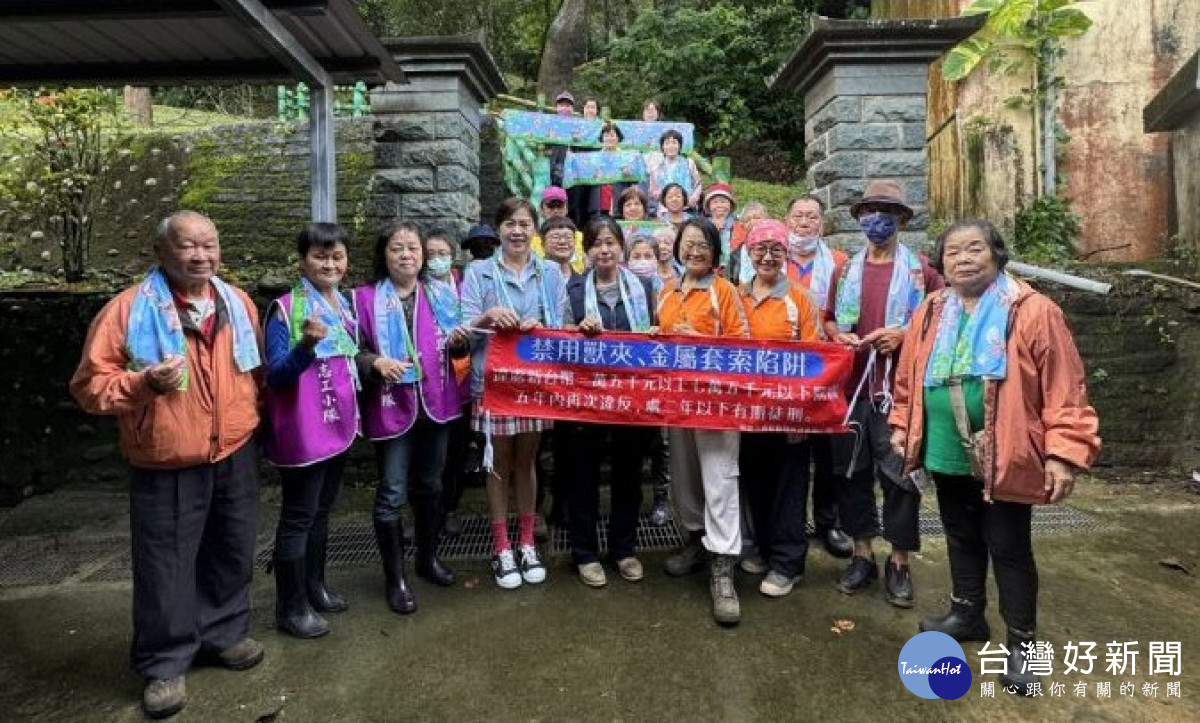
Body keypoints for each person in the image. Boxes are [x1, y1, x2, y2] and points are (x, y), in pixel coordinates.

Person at [888, 220, 1100, 695]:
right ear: (941, 264)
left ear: (997, 255)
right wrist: (903, 427)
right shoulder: (930, 311)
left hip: (1004, 451)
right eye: (952, 253)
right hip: (944, 448)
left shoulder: (1031, 310)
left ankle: (1024, 645)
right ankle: (967, 612)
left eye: (974, 249)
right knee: (960, 535)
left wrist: (1062, 453)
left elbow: (1064, 389)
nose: (963, 259)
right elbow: (907, 380)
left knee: (1008, 546)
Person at [70, 210, 264, 719]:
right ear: (162, 252)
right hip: (165, 459)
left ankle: (223, 632)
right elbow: (90, 387)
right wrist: (141, 384)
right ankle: (164, 661)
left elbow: (255, 372)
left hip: (234, 449)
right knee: (165, 565)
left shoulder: (236, 303)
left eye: (210, 244)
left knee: (232, 549)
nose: (201, 255)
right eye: (188, 246)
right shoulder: (128, 309)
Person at [824, 179, 944, 609]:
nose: (878, 219)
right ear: (859, 219)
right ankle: (861, 555)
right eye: (870, 211)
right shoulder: (844, 270)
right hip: (852, 388)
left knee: (900, 477)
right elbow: (829, 320)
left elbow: (941, 323)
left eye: (887, 212)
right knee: (851, 473)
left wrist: (904, 335)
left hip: (899, 393)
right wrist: (841, 337)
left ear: (902, 220)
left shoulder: (922, 272)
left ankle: (899, 562)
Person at [354, 222, 468, 614]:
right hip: (391, 404)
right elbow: (349, 349)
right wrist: (373, 362)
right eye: (397, 248)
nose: (406, 255)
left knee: (431, 485)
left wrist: (460, 344)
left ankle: (427, 558)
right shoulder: (363, 299)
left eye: (413, 249)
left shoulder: (440, 294)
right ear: (383, 255)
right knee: (390, 493)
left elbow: (459, 351)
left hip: (436, 402)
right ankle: (395, 578)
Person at [461, 198, 568, 589]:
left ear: (534, 231)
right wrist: (488, 317)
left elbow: (562, 325)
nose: (518, 231)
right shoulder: (478, 273)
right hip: (492, 382)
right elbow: (462, 328)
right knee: (497, 463)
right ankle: (501, 545)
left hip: (534, 383)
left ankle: (526, 542)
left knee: (528, 461)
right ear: (498, 229)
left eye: (524, 224)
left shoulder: (550, 274)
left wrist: (543, 324)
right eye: (510, 223)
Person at [264, 223, 360, 640]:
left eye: (337, 256)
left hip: (337, 423)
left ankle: (315, 586)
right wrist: (305, 347)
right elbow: (276, 376)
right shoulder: (285, 309)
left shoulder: (343, 306)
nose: (330, 264)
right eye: (321, 256)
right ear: (302, 260)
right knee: (298, 517)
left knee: (322, 512)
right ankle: (291, 606)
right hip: (303, 431)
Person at [657, 217, 750, 626]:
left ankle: (723, 566)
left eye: (702, 244)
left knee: (720, 479)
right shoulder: (667, 291)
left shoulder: (725, 291)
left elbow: (743, 346)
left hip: (717, 404)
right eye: (687, 243)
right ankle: (696, 540)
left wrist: (697, 338)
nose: (694, 251)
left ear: (715, 251)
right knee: (684, 478)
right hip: (677, 404)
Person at [563, 216, 658, 587]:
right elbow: (556, 339)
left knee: (628, 476)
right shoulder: (572, 290)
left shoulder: (645, 287)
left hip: (630, 401)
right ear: (586, 250)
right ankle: (585, 553)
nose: (604, 249)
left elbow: (658, 332)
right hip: (584, 400)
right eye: (596, 243)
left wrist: (653, 333)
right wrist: (575, 331)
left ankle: (624, 549)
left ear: (622, 247)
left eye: (610, 242)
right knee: (582, 476)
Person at [736, 220, 821, 597]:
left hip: (789, 412)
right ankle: (764, 549)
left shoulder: (801, 298)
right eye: (760, 249)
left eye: (776, 249)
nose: (768, 256)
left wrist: (801, 412)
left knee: (790, 484)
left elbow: (814, 358)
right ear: (749, 254)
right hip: (748, 412)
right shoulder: (736, 295)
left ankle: (788, 563)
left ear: (786, 254)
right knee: (756, 480)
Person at [778, 195, 853, 561]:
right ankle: (789, 523)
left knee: (829, 450)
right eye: (798, 216)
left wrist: (829, 329)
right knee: (791, 452)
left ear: (821, 223)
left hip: (825, 369)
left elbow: (844, 314)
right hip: (785, 370)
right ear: (786, 220)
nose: (804, 222)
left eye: (811, 217)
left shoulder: (839, 263)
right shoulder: (771, 257)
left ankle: (829, 521)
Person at [532, 186, 587, 274]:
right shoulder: (531, 241)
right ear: (541, 210)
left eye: (560, 206)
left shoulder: (581, 238)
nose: (556, 211)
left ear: (566, 209)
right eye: (551, 206)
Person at [648, 129, 702, 210]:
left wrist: (694, 197)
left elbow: (698, 183)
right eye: (667, 143)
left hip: (687, 207)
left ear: (680, 146)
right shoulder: (656, 166)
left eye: (674, 143)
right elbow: (652, 189)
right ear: (662, 147)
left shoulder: (689, 162)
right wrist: (656, 194)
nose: (671, 146)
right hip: (664, 209)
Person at [701, 183, 741, 271]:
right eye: (715, 202)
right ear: (708, 206)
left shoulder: (737, 225)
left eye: (723, 202)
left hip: (732, 267)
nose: (719, 205)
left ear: (730, 206)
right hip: (709, 267)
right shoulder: (703, 225)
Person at [727, 201, 767, 285]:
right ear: (742, 225)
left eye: (757, 217)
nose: (752, 222)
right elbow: (729, 282)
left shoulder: (776, 249)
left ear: (766, 220)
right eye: (747, 220)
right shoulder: (735, 255)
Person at [547, 90, 576, 189]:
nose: (565, 108)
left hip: (573, 172)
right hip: (551, 170)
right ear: (557, 107)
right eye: (562, 105)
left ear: (572, 109)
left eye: (568, 106)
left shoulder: (579, 126)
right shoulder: (548, 123)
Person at [539, 216, 581, 280]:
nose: (562, 241)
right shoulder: (533, 279)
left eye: (568, 237)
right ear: (543, 244)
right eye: (555, 237)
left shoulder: (585, 283)